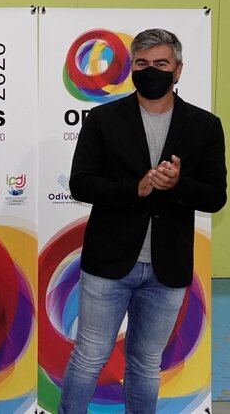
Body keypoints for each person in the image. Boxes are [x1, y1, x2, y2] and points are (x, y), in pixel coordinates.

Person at [59, 28, 226, 414]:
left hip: (168, 266)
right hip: (108, 263)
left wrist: (178, 184)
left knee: (146, 363)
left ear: (178, 70)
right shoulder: (103, 119)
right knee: (89, 356)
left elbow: (216, 196)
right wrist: (136, 188)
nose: (151, 71)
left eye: (161, 64)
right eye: (142, 63)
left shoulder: (204, 125)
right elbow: (81, 183)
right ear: (132, 68)